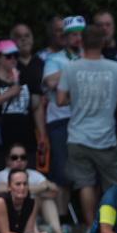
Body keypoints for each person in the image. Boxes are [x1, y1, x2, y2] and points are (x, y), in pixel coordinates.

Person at [56, 25, 117, 228]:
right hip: (106, 136)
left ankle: (90, 228)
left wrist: (78, 99)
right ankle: (110, 227)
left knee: (85, 184)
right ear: (103, 42)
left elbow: (60, 99)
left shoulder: (71, 68)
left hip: (78, 135)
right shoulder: (116, 68)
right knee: (112, 186)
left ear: (81, 42)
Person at [0, 40, 46, 176]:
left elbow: (36, 107)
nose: (13, 59)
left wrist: (42, 135)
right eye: (8, 56)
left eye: (15, 55)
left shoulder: (25, 76)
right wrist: (8, 94)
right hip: (0, 145)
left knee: (27, 179)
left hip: (26, 142)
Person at [42, 16, 84, 191]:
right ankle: (62, 210)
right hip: (60, 120)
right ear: (65, 38)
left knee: (87, 173)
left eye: (81, 34)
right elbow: (50, 82)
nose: (78, 38)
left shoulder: (94, 56)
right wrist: (76, 66)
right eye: (73, 35)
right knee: (63, 173)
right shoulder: (54, 59)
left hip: (86, 120)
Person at [0, 145, 62, 233]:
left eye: (23, 157)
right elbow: (6, 191)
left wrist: (40, 191)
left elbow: (54, 190)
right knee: (31, 199)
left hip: (34, 212)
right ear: (7, 160)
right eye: (14, 157)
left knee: (46, 201)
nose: (19, 160)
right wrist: (41, 188)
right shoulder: (1, 175)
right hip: (13, 215)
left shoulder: (33, 173)